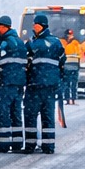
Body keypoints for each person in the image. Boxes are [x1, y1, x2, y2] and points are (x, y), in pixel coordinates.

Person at [23, 12, 66, 154]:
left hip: (34, 86)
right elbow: (62, 61)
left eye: (35, 24)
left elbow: (25, 63)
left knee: (30, 115)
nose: (33, 26)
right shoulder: (56, 42)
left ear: (41, 26)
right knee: (47, 116)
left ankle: (30, 146)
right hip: (50, 86)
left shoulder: (32, 43)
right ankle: (48, 146)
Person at [0, 15, 27, 153]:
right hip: (18, 84)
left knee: (2, 114)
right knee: (16, 113)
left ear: (5, 27)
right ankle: (17, 144)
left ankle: (3, 145)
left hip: (4, 83)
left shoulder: (1, 43)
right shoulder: (20, 43)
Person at [60, 27, 83, 105]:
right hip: (70, 66)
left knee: (70, 84)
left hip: (71, 66)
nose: (70, 36)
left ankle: (71, 99)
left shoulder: (72, 43)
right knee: (69, 84)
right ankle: (69, 99)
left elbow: (79, 53)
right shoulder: (69, 42)